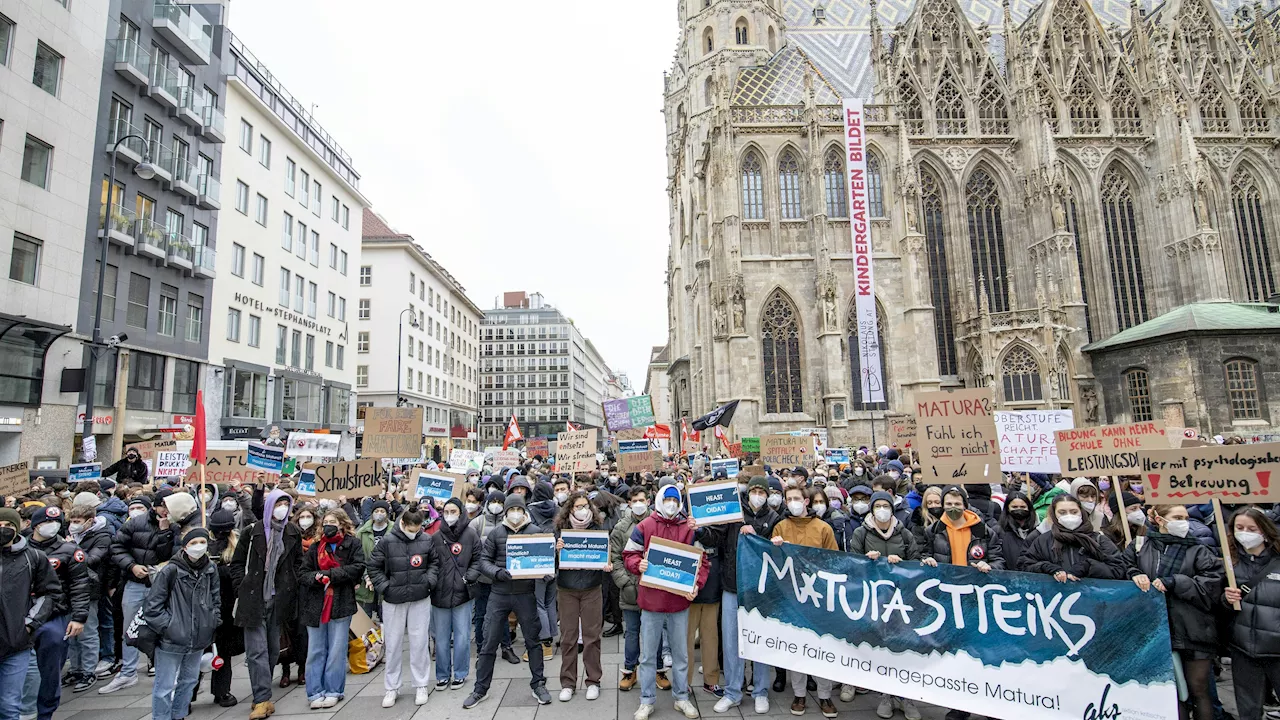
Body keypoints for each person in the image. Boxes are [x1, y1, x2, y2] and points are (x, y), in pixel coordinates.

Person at [1126, 504, 1222, 720]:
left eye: (1186, 517)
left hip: (1192, 628)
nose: (1184, 522)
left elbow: (1211, 586)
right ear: (1159, 520)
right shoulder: (1140, 545)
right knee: (1170, 693)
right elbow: (1122, 567)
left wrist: (1175, 582)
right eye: (1177, 516)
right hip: (1156, 629)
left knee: (1199, 690)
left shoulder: (1198, 549)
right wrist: (1133, 573)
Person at [623, 483, 708, 720]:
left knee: (681, 655)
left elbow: (703, 562)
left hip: (679, 603)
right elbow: (629, 554)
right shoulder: (644, 526)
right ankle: (647, 700)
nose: (672, 503)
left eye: (676, 499)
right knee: (649, 655)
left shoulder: (689, 529)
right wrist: (636, 565)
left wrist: (696, 586)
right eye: (668, 498)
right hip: (651, 602)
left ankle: (681, 697)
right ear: (660, 500)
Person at [463, 493, 554, 709]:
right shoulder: (496, 533)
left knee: (533, 640)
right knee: (488, 642)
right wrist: (497, 572)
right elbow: (484, 560)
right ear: (506, 513)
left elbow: (545, 560)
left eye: (519, 510)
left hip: (525, 594)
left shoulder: (535, 533)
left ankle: (538, 683)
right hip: (499, 594)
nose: (515, 514)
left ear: (524, 512)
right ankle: (480, 689)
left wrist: (546, 572)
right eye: (512, 510)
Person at [704, 474, 778, 714]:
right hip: (732, 584)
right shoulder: (735, 513)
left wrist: (763, 536)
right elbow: (716, 536)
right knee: (732, 640)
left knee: (759, 640)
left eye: (762, 492)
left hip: (760, 589)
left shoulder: (775, 518)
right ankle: (733, 691)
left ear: (767, 495)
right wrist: (700, 530)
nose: (758, 495)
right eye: (754, 490)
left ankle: (760, 691)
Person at [848, 492, 921, 720]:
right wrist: (866, 561)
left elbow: (915, 563)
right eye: (877, 506)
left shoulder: (904, 533)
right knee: (882, 645)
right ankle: (886, 696)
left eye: (885, 505)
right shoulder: (861, 533)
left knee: (904, 646)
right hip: (875, 598)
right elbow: (852, 563)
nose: (881, 509)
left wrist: (904, 565)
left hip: (902, 599)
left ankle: (906, 696)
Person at [231, 488, 301, 719]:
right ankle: (262, 698)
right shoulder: (253, 532)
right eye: (278, 504)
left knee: (272, 650)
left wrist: (291, 584)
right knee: (256, 651)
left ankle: (261, 692)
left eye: (286, 504)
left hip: (278, 599)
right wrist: (242, 586)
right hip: (253, 597)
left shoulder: (292, 532)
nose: (282, 509)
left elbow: (297, 563)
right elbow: (237, 563)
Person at [770, 484, 839, 719]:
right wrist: (776, 548)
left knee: (822, 646)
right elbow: (772, 563)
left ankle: (824, 695)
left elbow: (835, 562)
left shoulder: (823, 528)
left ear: (806, 501)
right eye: (788, 499)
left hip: (818, 597)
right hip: (791, 597)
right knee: (796, 646)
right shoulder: (780, 527)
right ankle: (799, 694)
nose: (792, 502)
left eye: (796, 498)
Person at [100, 494, 173, 694]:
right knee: (129, 629)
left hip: (162, 585)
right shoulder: (135, 523)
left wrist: (165, 533)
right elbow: (116, 547)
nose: (165, 512)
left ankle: (161, 667)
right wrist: (131, 566)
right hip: (135, 582)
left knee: (164, 628)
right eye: (162, 507)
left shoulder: (174, 525)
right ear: (155, 507)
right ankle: (128, 672)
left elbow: (170, 554)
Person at [145, 528, 220, 720]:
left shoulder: (210, 569)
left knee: (189, 681)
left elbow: (215, 599)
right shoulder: (170, 570)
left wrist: (212, 621)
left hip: (198, 637)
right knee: (165, 686)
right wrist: (169, 627)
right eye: (193, 543)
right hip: (172, 638)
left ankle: (179, 715)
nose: (198, 547)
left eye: (202, 542)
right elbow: (153, 607)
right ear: (185, 546)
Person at [368, 508, 438, 708]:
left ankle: (421, 684)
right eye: (411, 528)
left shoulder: (425, 539)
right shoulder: (388, 541)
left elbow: (434, 563)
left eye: (417, 529)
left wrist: (428, 581)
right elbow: (373, 566)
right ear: (403, 524)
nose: (414, 532)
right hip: (394, 599)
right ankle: (391, 687)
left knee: (419, 642)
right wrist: (385, 587)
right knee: (393, 643)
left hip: (419, 597)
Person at [299, 509, 364, 709]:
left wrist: (331, 574)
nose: (328, 524)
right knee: (316, 650)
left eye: (333, 521)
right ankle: (315, 691)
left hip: (340, 602)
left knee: (337, 649)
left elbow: (358, 567)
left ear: (342, 523)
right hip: (316, 604)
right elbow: (303, 573)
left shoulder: (353, 544)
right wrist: (317, 578)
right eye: (326, 521)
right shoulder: (316, 547)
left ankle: (334, 689)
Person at [0, 506, 61, 720]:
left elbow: (49, 594)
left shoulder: (33, 557)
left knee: (9, 706)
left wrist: (29, 624)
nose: (3, 529)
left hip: (16, 643)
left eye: (8, 525)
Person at [1223, 507, 1280, 720]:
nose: (1244, 532)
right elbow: (1217, 606)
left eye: (1251, 528)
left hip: (1277, 648)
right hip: (1243, 649)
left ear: (1264, 531)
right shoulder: (1230, 563)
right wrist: (1226, 600)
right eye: (1239, 527)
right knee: (1248, 710)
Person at [553, 492, 610, 702]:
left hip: (592, 588)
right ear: (570, 508)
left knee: (592, 637)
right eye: (577, 506)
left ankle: (593, 681)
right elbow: (549, 563)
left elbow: (606, 554)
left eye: (585, 505)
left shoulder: (598, 529)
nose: (582, 509)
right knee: (568, 638)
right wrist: (556, 551)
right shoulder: (560, 529)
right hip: (567, 589)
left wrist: (607, 564)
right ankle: (568, 683)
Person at [431, 498, 481, 691]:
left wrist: (469, 577)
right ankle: (442, 675)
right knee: (441, 638)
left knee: (462, 636)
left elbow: (478, 558)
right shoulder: (435, 537)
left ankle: (460, 673)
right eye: (446, 511)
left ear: (460, 513)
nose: (450, 515)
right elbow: (431, 563)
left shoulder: (470, 534)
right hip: (440, 594)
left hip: (463, 593)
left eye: (453, 511)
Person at [1020, 495, 1125, 580]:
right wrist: (1045, 567)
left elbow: (1118, 570)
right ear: (1054, 515)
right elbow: (1024, 566)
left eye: (1074, 512)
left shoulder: (1098, 540)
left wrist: (1090, 566)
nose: (1069, 515)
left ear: (1081, 513)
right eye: (1062, 512)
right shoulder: (1042, 541)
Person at [64, 503, 111, 693]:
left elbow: (91, 560)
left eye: (77, 521)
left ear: (89, 521)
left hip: (89, 589)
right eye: (71, 521)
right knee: (71, 634)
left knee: (88, 632)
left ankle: (88, 670)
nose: (73, 525)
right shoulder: (73, 536)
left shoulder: (101, 536)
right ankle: (75, 669)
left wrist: (71, 548)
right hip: (70, 589)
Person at [611, 486, 653, 693]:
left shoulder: (656, 523)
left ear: (648, 501)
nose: (639, 504)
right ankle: (630, 670)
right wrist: (624, 582)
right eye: (635, 500)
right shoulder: (621, 528)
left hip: (654, 588)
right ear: (629, 503)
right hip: (630, 589)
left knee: (655, 632)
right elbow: (615, 557)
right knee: (632, 632)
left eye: (642, 499)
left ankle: (659, 670)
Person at [354, 499, 394, 621]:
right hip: (366, 582)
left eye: (382, 511)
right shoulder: (362, 532)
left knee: (387, 621)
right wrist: (366, 575)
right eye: (376, 511)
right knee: (365, 621)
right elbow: (359, 557)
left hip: (387, 580)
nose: (379, 513)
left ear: (387, 513)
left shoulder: (395, 531)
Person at [995, 491, 1039, 571]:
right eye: (1014, 507)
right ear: (1007, 508)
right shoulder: (999, 531)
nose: (1019, 509)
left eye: (1023, 507)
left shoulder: (1038, 531)